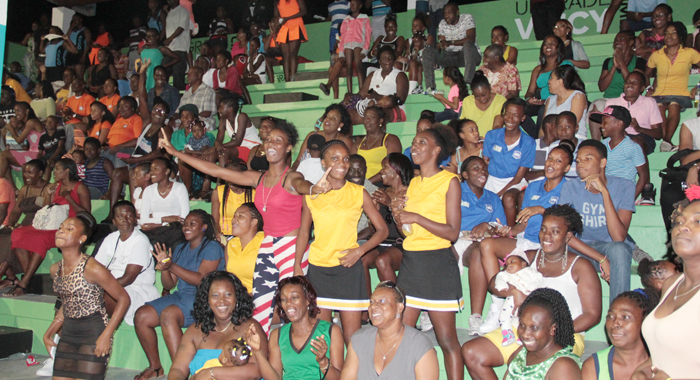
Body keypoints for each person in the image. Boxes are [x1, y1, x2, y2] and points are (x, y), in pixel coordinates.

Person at [159, 119, 332, 334]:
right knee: (259, 309)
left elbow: (303, 186)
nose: (271, 144)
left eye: (278, 141)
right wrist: (174, 151)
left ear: (288, 148)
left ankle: (294, 357)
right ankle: (258, 357)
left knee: (291, 306)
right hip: (268, 246)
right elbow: (215, 171)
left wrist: (315, 188)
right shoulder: (257, 179)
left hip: (291, 247)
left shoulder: (291, 177)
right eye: (268, 140)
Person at [462, 205, 601, 378]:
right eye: (543, 229)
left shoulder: (580, 267)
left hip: (564, 334)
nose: (547, 236)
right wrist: (512, 292)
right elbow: (493, 284)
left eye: (555, 231)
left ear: (568, 236)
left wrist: (556, 331)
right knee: (471, 352)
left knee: (524, 358)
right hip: (524, 328)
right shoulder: (528, 258)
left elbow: (593, 314)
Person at [468, 143, 573, 335]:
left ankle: (510, 311)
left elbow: (568, 221)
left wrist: (542, 210)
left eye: (558, 161)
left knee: (515, 262)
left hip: (548, 245)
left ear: (566, 168)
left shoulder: (569, 189)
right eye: (550, 158)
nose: (551, 163)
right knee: (487, 244)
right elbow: (524, 224)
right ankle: (497, 306)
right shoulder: (533, 187)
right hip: (526, 239)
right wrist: (508, 232)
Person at [296, 140, 389, 344]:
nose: (342, 163)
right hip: (319, 269)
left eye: (346, 159)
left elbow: (383, 230)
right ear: (323, 162)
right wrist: (297, 267)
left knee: (352, 339)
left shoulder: (358, 192)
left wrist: (359, 251)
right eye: (335, 158)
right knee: (322, 338)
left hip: (348, 269)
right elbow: (304, 231)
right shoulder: (311, 195)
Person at [392, 124, 463, 380]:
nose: (415, 146)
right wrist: (398, 215)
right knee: (401, 335)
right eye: (414, 142)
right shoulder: (412, 184)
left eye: (422, 142)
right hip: (412, 264)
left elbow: (453, 232)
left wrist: (417, 217)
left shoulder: (450, 181)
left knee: (446, 340)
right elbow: (407, 233)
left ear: (436, 150)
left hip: (437, 265)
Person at [133, 210, 225, 380]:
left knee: (169, 314)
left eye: (192, 224)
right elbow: (169, 284)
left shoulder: (212, 247)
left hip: (204, 298)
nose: (186, 227)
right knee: (142, 315)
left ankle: (180, 373)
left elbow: (201, 280)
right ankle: (155, 367)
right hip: (181, 296)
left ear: (204, 227)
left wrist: (171, 265)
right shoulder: (180, 248)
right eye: (185, 224)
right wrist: (164, 268)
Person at [42, 212, 130, 380]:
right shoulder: (55, 269)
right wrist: (49, 333)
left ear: (81, 238)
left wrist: (106, 335)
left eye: (69, 229)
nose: (61, 231)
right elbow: (66, 305)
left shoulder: (92, 268)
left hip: (93, 332)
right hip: (68, 334)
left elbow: (124, 299)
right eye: (60, 228)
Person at [632, 193, 700, 378]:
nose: (683, 227)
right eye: (679, 222)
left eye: (697, 222)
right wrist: (642, 371)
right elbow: (666, 354)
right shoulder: (671, 284)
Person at [558, 140, 635, 301]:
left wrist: (604, 193)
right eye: (578, 160)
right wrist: (601, 259)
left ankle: (618, 310)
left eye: (587, 158)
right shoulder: (570, 188)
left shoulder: (625, 186)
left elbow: (618, 237)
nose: (580, 164)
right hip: (581, 249)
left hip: (611, 248)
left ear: (603, 162)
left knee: (620, 249)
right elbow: (566, 235)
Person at [6, 158, 91, 298]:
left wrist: (68, 198)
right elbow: (47, 209)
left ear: (67, 171)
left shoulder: (80, 187)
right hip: (51, 224)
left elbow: (86, 215)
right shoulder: (54, 186)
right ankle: (31, 279)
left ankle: (24, 283)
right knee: (18, 233)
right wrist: (48, 195)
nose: (54, 172)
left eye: (57, 169)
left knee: (40, 239)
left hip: (69, 227)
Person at [166, 271, 267, 380]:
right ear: (207, 300)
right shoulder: (194, 331)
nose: (222, 301)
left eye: (228, 294)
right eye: (215, 295)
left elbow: (257, 371)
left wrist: (211, 373)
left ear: (237, 298)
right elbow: (178, 370)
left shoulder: (250, 328)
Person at [246, 276, 345, 380]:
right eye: (284, 299)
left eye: (294, 297)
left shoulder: (330, 331)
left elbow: (340, 378)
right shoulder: (277, 335)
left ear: (307, 300)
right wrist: (257, 351)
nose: (288, 303)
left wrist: (323, 362)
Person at [341, 281, 438, 380]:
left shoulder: (420, 345)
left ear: (399, 308)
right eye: (372, 302)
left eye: (382, 301)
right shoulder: (359, 339)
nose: (374, 306)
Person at [94, 201, 159, 324]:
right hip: (113, 286)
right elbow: (96, 269)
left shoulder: (140, 241)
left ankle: (101, 330)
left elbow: (128, 278)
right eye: (120, 216)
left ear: (135, 219)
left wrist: (100, 289)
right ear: (113, 221)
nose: (125, 219)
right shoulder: (110, 238)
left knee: (107, 295)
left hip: (136, 289)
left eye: (129, 216)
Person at [362, 153, 413, 294]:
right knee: (362, 259)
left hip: (403, 243)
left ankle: (395, 303)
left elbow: (409, 229)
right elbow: (374, 231)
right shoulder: (381, 193)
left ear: (397, 170)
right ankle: (366, 309)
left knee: (383, 260)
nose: (381, 172)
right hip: (382, 243)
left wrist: (390, 204)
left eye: (384, 167)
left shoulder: (412, 192)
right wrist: (373, 214)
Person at [503, 288, 582, 379]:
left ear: (553, 329)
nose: (525, 334)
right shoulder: (521, 353)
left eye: (534, 328)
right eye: (522, 325)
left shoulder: (563, 366)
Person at [645, 22, 700, 152]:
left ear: (680, 36)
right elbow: (646, 74)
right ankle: (666, 143)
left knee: (674, 105)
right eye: (666, 33)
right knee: (659, 107)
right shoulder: (656, 55)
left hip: (680, 94)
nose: (669, 36)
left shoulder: (689, 53)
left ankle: (667, 140)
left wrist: (697, 87)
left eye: (673, 33)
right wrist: (648, 88)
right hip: (659, 94)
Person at [581, 290, 659, 380]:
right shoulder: (594, 366)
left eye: (625, 317)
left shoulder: (661, 363)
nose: (615, 324)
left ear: (645, 321)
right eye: (610, 316)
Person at [452, 155, 506, 279]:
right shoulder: (454, 191)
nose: (482, 171)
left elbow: (500, 226)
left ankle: (497, 290)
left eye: (484, 169)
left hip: (483, 239)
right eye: (476, 168)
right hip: (457, 238)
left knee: (482, 250)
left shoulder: (493, 198)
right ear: (465, 175)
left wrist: (486, 225)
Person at [0, 160, 50, 289]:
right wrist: (11, 224)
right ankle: (11, 277)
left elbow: (48, 212)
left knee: (10, 238)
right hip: (24, 224)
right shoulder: (24, 189)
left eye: (30, 172)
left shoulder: (48, 189)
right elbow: (16, 211)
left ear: (40, 173)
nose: (26, 176)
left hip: (40, 225)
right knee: (4, 234)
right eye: (25, 173)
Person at [590, 33, 649, 141]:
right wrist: (614, 67)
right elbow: (602, 87)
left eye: (621, 39)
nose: (617, 42)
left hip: (628, 99)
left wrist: (621, 63)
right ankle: (596, 143)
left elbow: (633, 82)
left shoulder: (638, 61)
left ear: (631, 42)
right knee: (595, 106)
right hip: (609, 99)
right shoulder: (608, 62)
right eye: (615, 40)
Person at [482, 98, 534, 219]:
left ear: (523, 118)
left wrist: (498, 194)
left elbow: (518, 177)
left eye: (516, 115)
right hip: (492, 180)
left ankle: (510, 233)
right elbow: (485, 164)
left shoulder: (528, 143)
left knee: (508, 198)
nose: (510, 119)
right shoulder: (491, 135)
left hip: (514, 182)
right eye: (507, 113)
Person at [590, 106, 649, 201]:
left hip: (623, 192)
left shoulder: (632, 147)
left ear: (619, 124)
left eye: (605, 122)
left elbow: (643, 175)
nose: (601, 126)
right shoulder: (602, 145)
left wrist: (631, 199)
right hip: (606, 192)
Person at [422, 2, 480, 90]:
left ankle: (468, 81)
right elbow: (442, 41)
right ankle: (430, 87)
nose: (446, 16)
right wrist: (441, 45)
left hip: (467, 56)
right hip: (450, 57)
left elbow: (470, 38)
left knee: (468, 45)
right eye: (445, 13)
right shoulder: (442, 23)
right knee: (427, 51)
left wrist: (450, 42)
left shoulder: (467, 18)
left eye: (450, 13)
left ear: (457, 12)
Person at [493, 250, 543, 347]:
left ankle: (523, 335)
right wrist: (502, 286)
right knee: (504, 315)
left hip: (528, 298)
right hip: (511, 299)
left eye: (512, 262)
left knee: (525, 318)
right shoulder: (506, 274)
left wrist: (531, 288)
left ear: (524, 264)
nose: (509, 265)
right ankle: (507, 334)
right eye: (506, 264)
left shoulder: (531, 272)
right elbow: (499, 278)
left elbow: (539, 280)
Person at [138, 157, 189, 249]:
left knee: (178, 244)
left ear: (166, 171)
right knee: (151, 245)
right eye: (151, 170)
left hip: (175, 231)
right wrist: (165, 220)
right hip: (155, 232)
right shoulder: (149, 190)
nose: (151, 173)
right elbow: (144, 222)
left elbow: (183, 219)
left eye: (155, 169)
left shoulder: (179, 188)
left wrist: (154, 221)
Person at [342, 46, 409, 115]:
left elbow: (400, 100)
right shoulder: (373, 74)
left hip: (390, 110)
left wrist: (378, 96)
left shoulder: (400, 75)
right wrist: (349, 96)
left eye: (390, 58)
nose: (388, 60)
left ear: (393, 60)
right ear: (379, 61)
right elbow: (361, 95)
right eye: (384, 58)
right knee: (343, 109)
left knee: (369, 113)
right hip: (369, 106)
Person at [325, 0, 371, 96]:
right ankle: (349, 93)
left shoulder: (364, 18)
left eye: (355, 4)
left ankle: (361, 93)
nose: (353, 6)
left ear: (360, 5)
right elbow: (343, 37)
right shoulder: (346, 20)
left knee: (359, 68)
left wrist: (365, 49)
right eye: (351, 4)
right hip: (347, 45)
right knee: (349, 68)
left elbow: (368, 35)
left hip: (358, 44)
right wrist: (341, 52)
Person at [523, 36, 572, 118]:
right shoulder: (538, 69)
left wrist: (545, 101)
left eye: (552, 43)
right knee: (520, 110)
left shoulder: (565, 64)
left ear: (559, 47)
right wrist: (529, 99)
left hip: (559, 101)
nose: (548, 46)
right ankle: (533, 131)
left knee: (543, 110)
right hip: (540, 103)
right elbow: (530, 92)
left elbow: (567, 89)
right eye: (545, 44)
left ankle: (540, 131)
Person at [352, 106, 402, 184]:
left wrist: (367, 184)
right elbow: (351, 167)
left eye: (372, 117)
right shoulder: (357, 144)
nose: (368, 120)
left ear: (380, 121)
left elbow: (392, 167)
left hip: (381, 184)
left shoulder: (391, 139)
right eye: (366, 117)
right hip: (359, 184)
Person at [0, 103, 45, 187]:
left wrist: (11, 129)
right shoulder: (27, 123)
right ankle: (14, 189)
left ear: (27, 111)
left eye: (18, 111)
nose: (16, 114)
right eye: (15, 111)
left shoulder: (31, 122)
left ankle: (11, 187)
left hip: (38, 152)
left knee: (4, 155)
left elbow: (19, 140)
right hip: (31, 151)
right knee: (4, 158)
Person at [212, 160, 254, 244]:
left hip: (248, 236)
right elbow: (215, 220)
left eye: (232, 175)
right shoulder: (218, 192)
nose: (229, 179)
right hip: (225, 236)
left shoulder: (254, 193)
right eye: (227, 175)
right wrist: (218, 234)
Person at [211, 95, 262, 163]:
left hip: (252, 148)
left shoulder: (242, 117)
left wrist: (219, 146)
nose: (218, 110)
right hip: (239, 149)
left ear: (230, 109)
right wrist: (217, 144)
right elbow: (219, 139)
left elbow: (238, 141)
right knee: (210, 155)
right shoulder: (223, 120)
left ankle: (222, 173)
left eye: (221, 108)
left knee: (223, 152)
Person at [225, 202, 263, 292]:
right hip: (239, 298)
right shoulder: (231, 244)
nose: (234, 219)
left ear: (254, 222)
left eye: (240, 216)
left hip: (260, 297)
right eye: (234, 216)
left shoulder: (264, 241)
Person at [543, 65, 588, 140]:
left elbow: (572, 123)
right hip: (552, 141)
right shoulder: (550, 100)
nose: (548, 81)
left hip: (574, 139)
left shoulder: (577, 96)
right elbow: (544, 126)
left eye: (551, 78)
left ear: (559, 82)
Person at [460, 72, 506, 136]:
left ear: (490, 88)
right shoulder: (467, 101)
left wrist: (486, 141)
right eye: (477, 96)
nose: (481, 99)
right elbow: (464, 126)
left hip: (492, 139)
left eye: (484, 95)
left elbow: (497, 127)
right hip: (472, 141)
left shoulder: (500, 101)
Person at [104, 96, 143, 168]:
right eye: (120, 106)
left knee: (119, 154)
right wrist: (104, 145)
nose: (121, 109)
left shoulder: (136, 119)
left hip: (125, 149)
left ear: (133, 108)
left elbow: (138, 140)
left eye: (125, 106)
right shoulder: (118, 121)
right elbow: (109, 138)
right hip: (111, 149)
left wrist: (119, 146)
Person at [274, 0, 307, 82]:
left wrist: (287, 18)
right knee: (285, 55)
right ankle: (287, 79)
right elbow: (276, 15)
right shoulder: (277, 1)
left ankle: (293, 77)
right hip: (284, 27)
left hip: (296, 25)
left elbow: (303, 11)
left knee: (293, 53)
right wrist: (277, 20)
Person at [163, 0, 190, 91]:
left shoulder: (183, 11)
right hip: (170, 49)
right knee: (163, 71)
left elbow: (181, 27)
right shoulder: (170, 13)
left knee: (178, 76)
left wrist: (170, 39)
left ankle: (179, 99)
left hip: (180, 48)